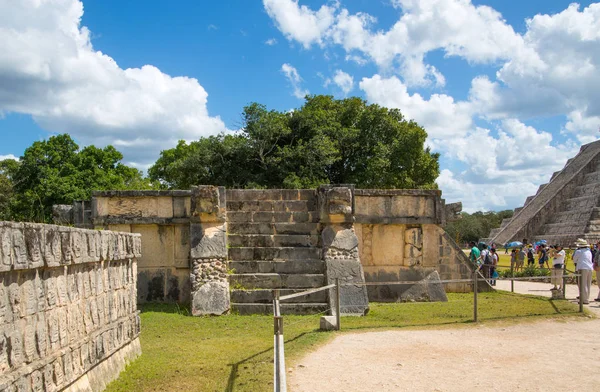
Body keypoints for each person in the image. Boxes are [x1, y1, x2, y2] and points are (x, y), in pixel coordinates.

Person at [573, 238, 593, 304]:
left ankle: (584, 299)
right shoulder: (588, 251)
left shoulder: (578, 251)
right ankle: (586, 298)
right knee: (588, 284)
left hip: (582, 268)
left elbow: (574, 260)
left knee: (582, 284)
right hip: (590, 268)